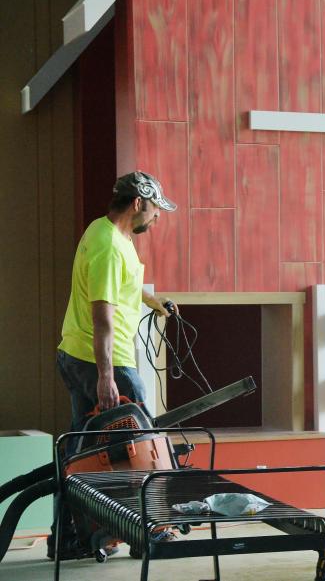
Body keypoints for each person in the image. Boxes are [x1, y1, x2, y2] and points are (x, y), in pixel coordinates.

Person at [51, 170, 178, 559]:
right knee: (142, 445)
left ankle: (68, 539)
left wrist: (153, 301)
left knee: (78, 453)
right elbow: (102, 312)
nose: (157, 218)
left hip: (76, 354)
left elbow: (121, 284)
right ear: (138, 203)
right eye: (155, 209)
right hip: (104, 360)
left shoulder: (106, 233)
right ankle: (150, 531)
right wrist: (107, 377)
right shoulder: (108, 245)